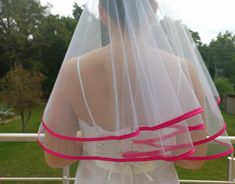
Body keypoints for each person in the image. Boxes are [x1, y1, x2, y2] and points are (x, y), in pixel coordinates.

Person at [37, 0, 234, 183]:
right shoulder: (184, 71)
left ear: (102, 12)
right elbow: (194, 160)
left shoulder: (73, 71)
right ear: (152, 12)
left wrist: (87, 141)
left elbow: (55, 158)